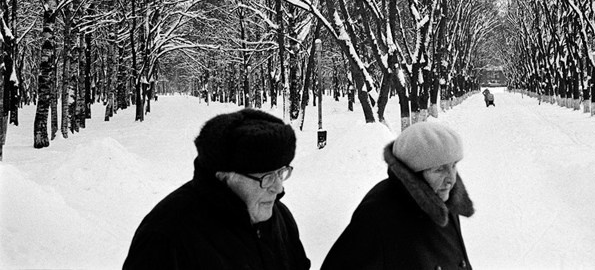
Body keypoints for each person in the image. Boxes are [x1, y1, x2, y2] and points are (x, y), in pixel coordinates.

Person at [123, 108, 310, 270]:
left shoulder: (280, 217)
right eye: (267, 178)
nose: (278, 188)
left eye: (281, 173)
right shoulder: (166, 237)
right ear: (224, 177)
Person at [321, 121, 474, 270]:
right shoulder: (378, 213)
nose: (451, 179)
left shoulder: (444, 203)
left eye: (453, 165)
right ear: (415, 173)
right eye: (439, 170)